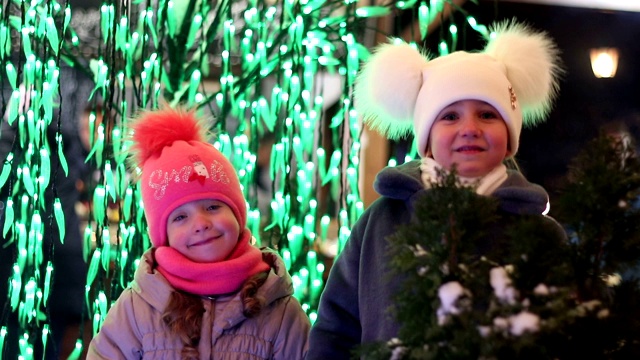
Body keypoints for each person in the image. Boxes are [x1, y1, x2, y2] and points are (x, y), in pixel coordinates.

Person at [305, 21, 565, 358]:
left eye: (487, 114)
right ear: (425, 140)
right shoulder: (381, 221)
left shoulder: (541, 234)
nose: (469, 128)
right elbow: (335, 328)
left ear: (510, 136)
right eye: (450, 116)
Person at [87, 108, 310, 359]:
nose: (201, 223)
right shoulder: (138, 307)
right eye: (180, 217)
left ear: (237, 213)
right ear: (164, 235)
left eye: (213, 207)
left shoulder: (279, 308)